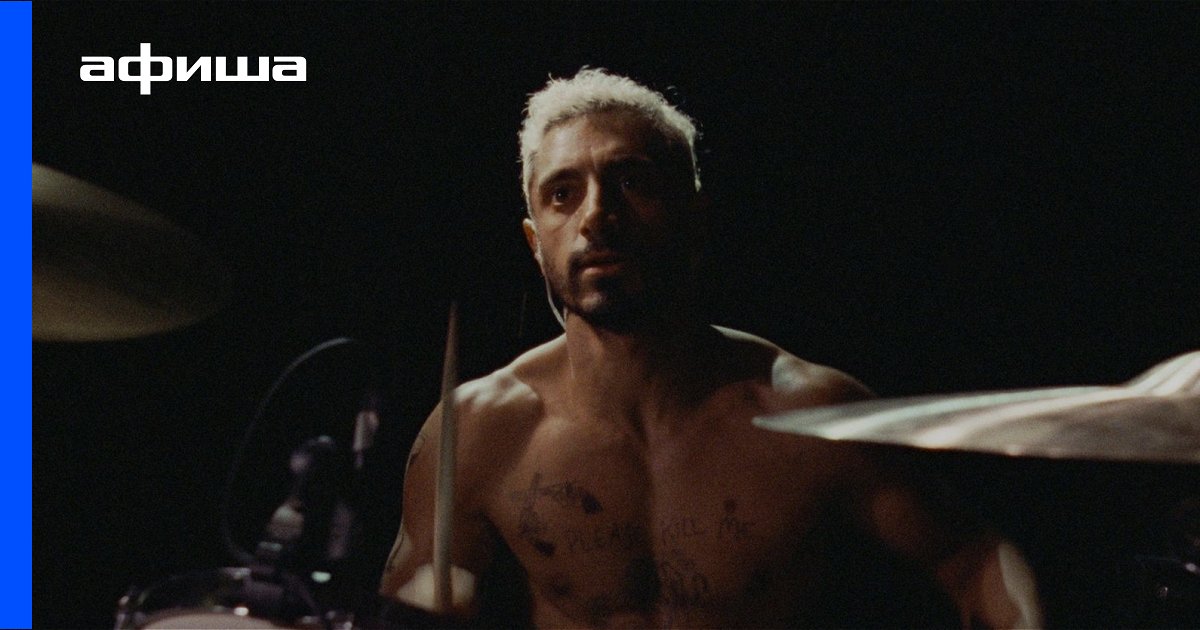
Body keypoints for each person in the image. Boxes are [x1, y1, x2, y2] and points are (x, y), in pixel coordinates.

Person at [379, 68, 1040, 628]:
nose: (596, 216)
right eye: (562, 194)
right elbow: (410, 605)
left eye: (632, 182)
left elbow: (976, 561)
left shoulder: (807, 414)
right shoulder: (480, 431)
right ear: (534, 241)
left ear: (695, 217)